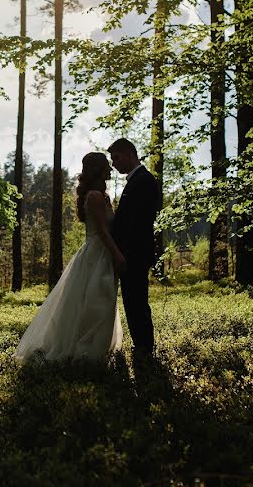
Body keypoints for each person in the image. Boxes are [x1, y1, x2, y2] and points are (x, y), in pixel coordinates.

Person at [13, 152, 124, 363]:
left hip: (100, 251)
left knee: (100, 299)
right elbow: (101, 230)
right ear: (98, 169)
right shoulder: (94, 196)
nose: (110, 170)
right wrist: (117, 255)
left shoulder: (100, 195)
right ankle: (86, 351)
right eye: (107, 166)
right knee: (97, 300)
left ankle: (94, 349)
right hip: (97, 253)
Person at [107, 138, 161, 356]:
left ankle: (144, 347)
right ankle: (142, 344)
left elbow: (137, 223)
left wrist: (123, 253)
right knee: (133, 300)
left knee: (136, 301)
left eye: (116, 158)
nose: (113, 164)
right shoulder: (136, 180)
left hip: (135, 253)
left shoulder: (144, 180)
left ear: (130, 154)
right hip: (132, 252)